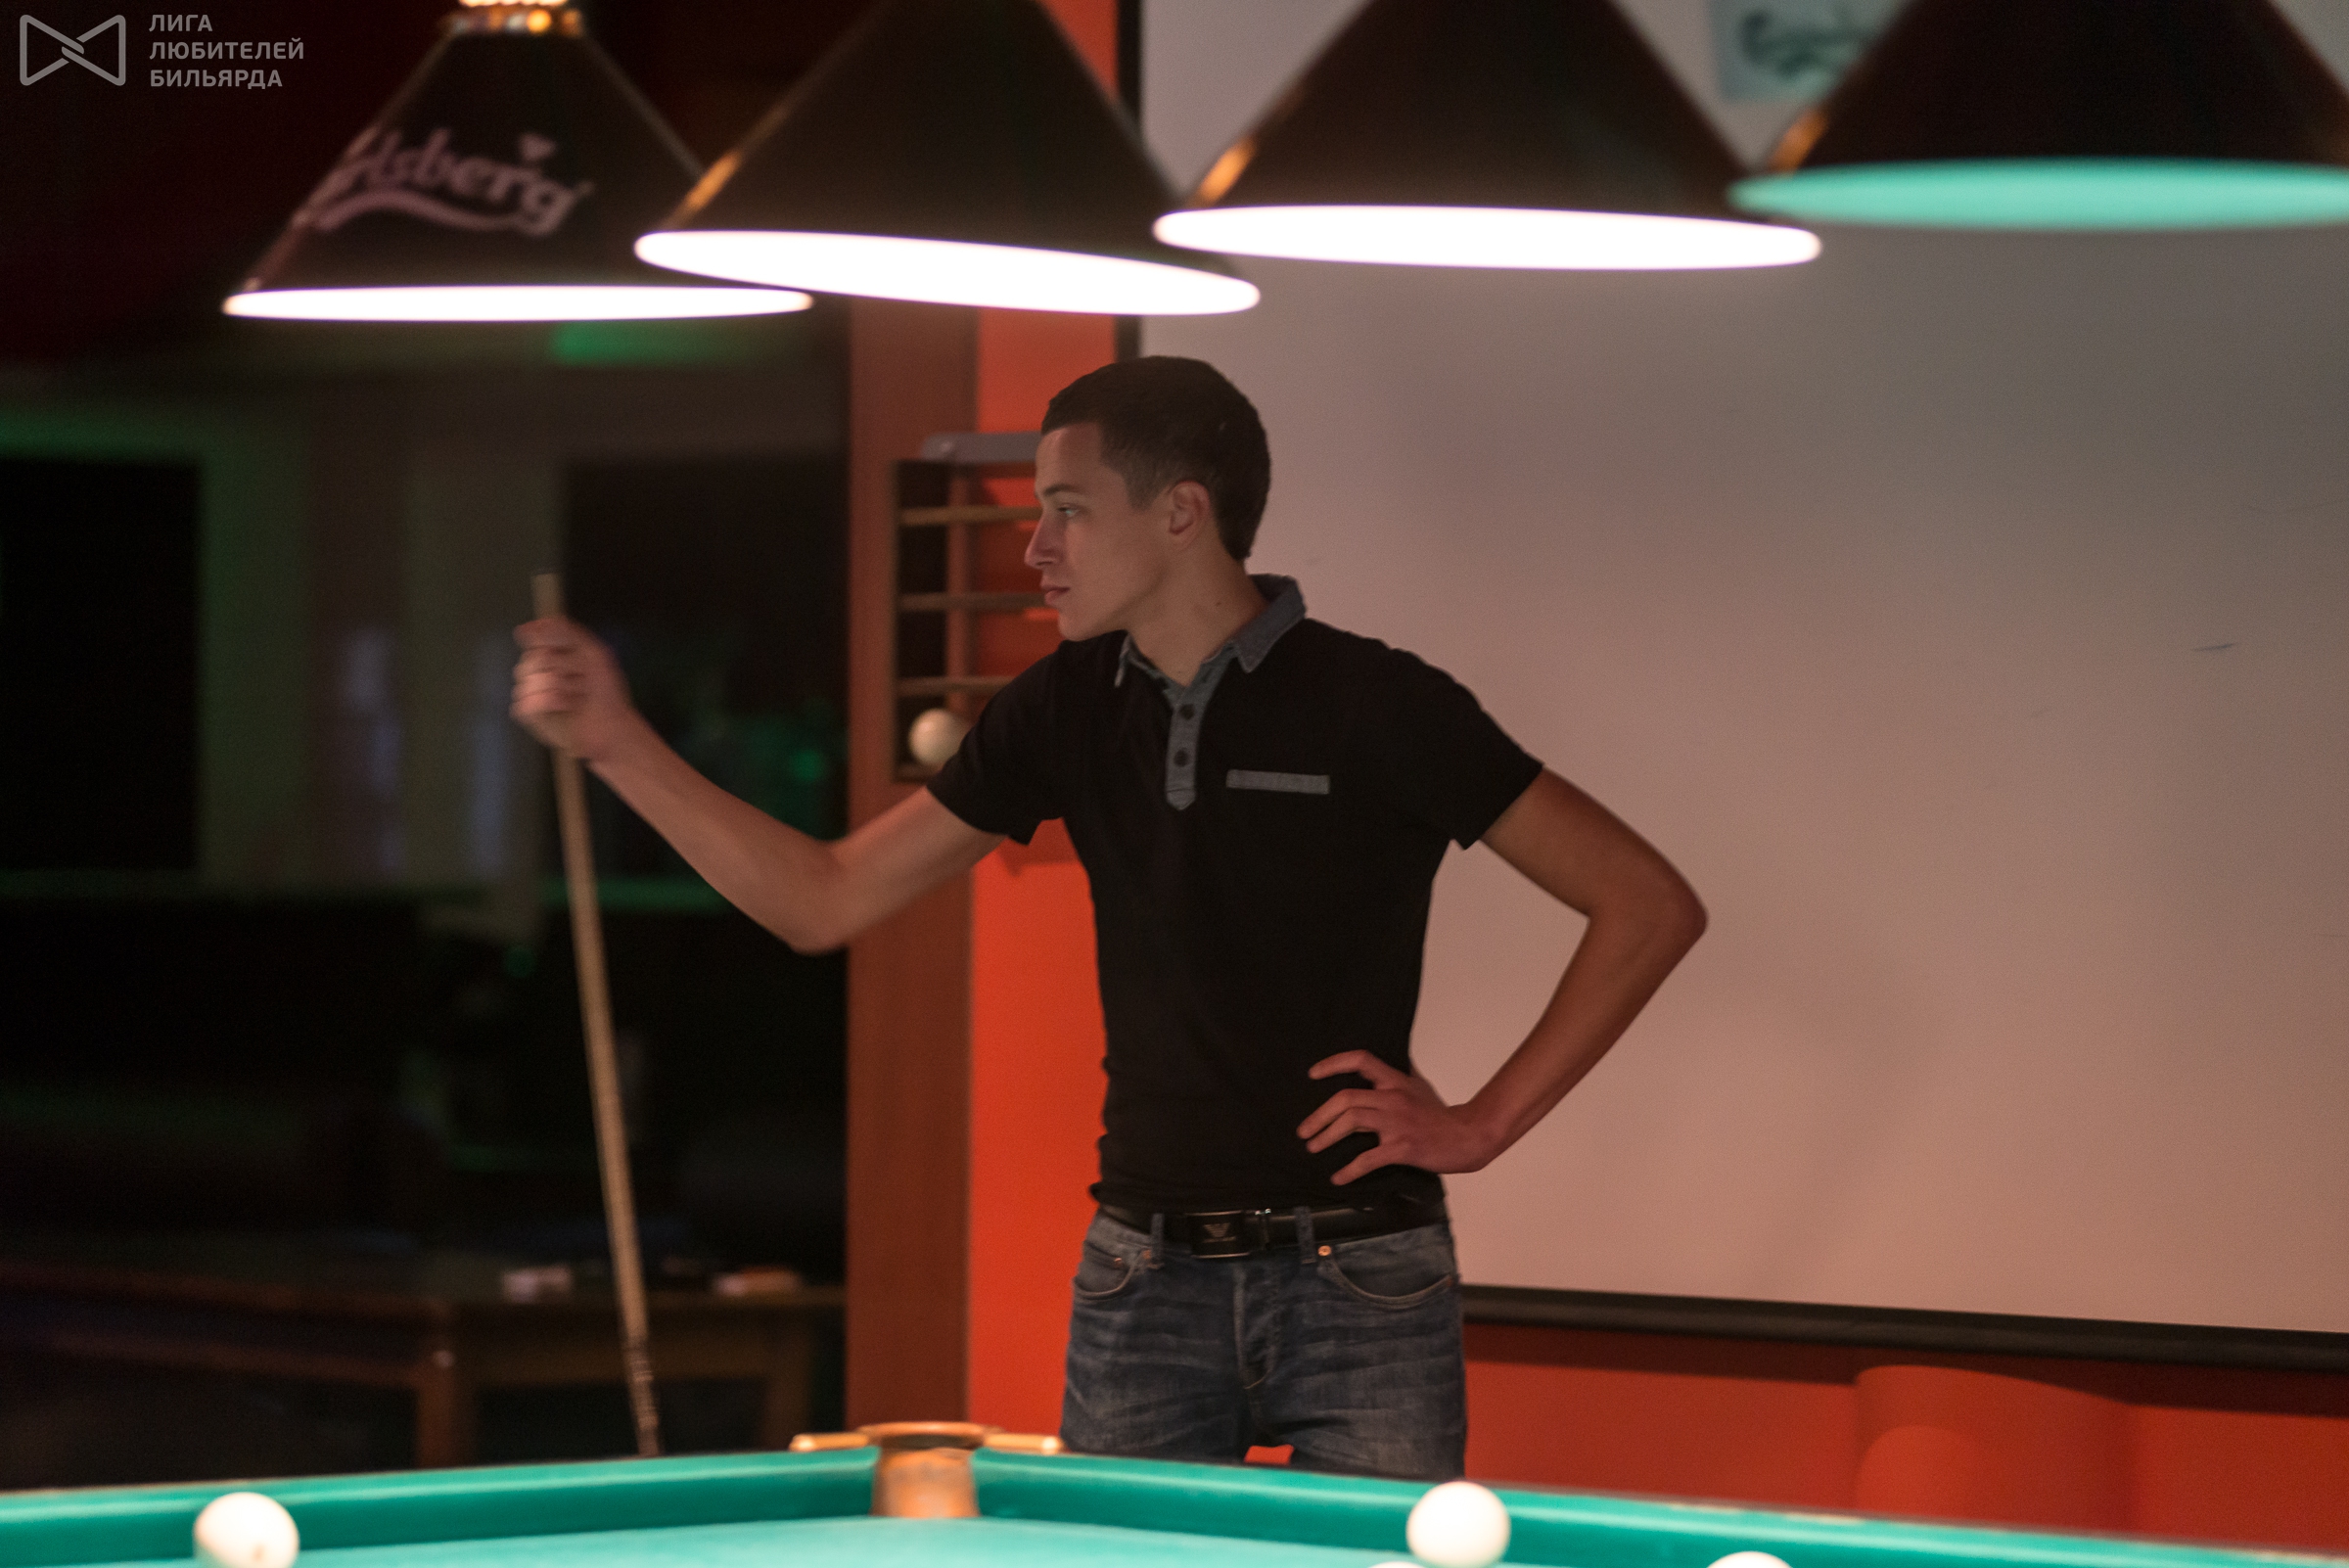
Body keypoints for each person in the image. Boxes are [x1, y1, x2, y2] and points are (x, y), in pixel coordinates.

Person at [511, 355, 1705, 1481]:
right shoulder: (1062, 707)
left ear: (1182, 512)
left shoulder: (1378, 702)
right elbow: (822, 900)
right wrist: (616, 743)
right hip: (1144, 1280)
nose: (1035, 547)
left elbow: (1647, 904)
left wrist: (1484, 1122)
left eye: (1068, 510)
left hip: (1363, 1277)